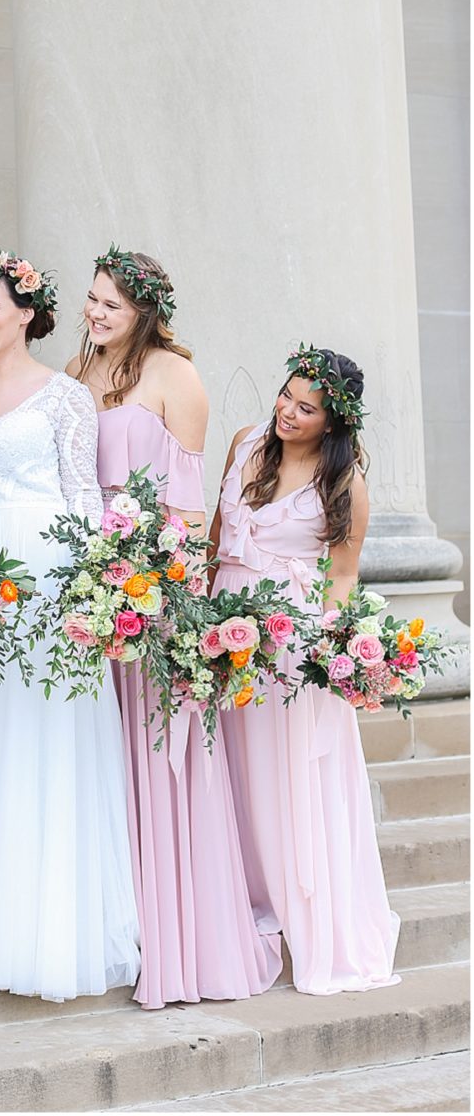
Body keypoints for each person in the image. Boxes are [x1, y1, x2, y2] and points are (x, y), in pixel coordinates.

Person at [70, 247, 282, 1009]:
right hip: (85, 593)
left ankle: (182, 938)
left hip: (149, 598)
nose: (96, 315)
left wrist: (166, 603)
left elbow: (190, 514)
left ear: (145, 313)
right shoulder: (75, 372)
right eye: (91, 299)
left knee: (157, 757)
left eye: (112, 307)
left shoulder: (174, 377)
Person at [0, 247, 140, 1003]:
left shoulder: (63, 398)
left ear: (26, 313)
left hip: (49, 589)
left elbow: (85, 499)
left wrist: (94, 594)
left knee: (44, 743)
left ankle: (53, 932)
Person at [210, 344, 400, 994]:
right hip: (222, 633)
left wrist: (333, 654)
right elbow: (214, 542)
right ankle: (237, 907)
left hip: (288, 649)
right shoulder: (243, 444)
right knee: (229, 776)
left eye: (306, 408)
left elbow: (341, 577)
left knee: (278, 780)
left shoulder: (342, 483)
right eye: (286, 396)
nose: (287, 412)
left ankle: (298, 914)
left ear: (332, 421)